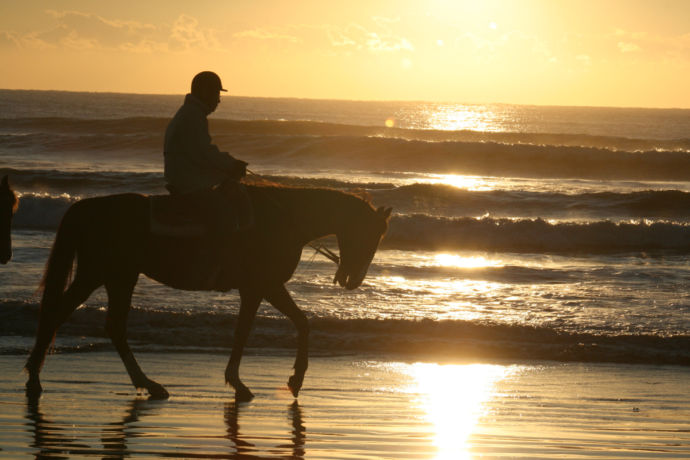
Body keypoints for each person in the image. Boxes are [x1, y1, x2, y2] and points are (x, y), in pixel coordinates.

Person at [163, 71, 251, 285]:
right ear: (203, 92)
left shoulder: (191, 114)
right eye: (215, 94)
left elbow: (201, 153)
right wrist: (231, 164)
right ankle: (214, 267)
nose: (218, 100)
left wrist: (228, 166)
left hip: (187, 176)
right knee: (224, 216)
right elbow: (203, 152)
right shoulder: (193, 116)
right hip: (189, 182)